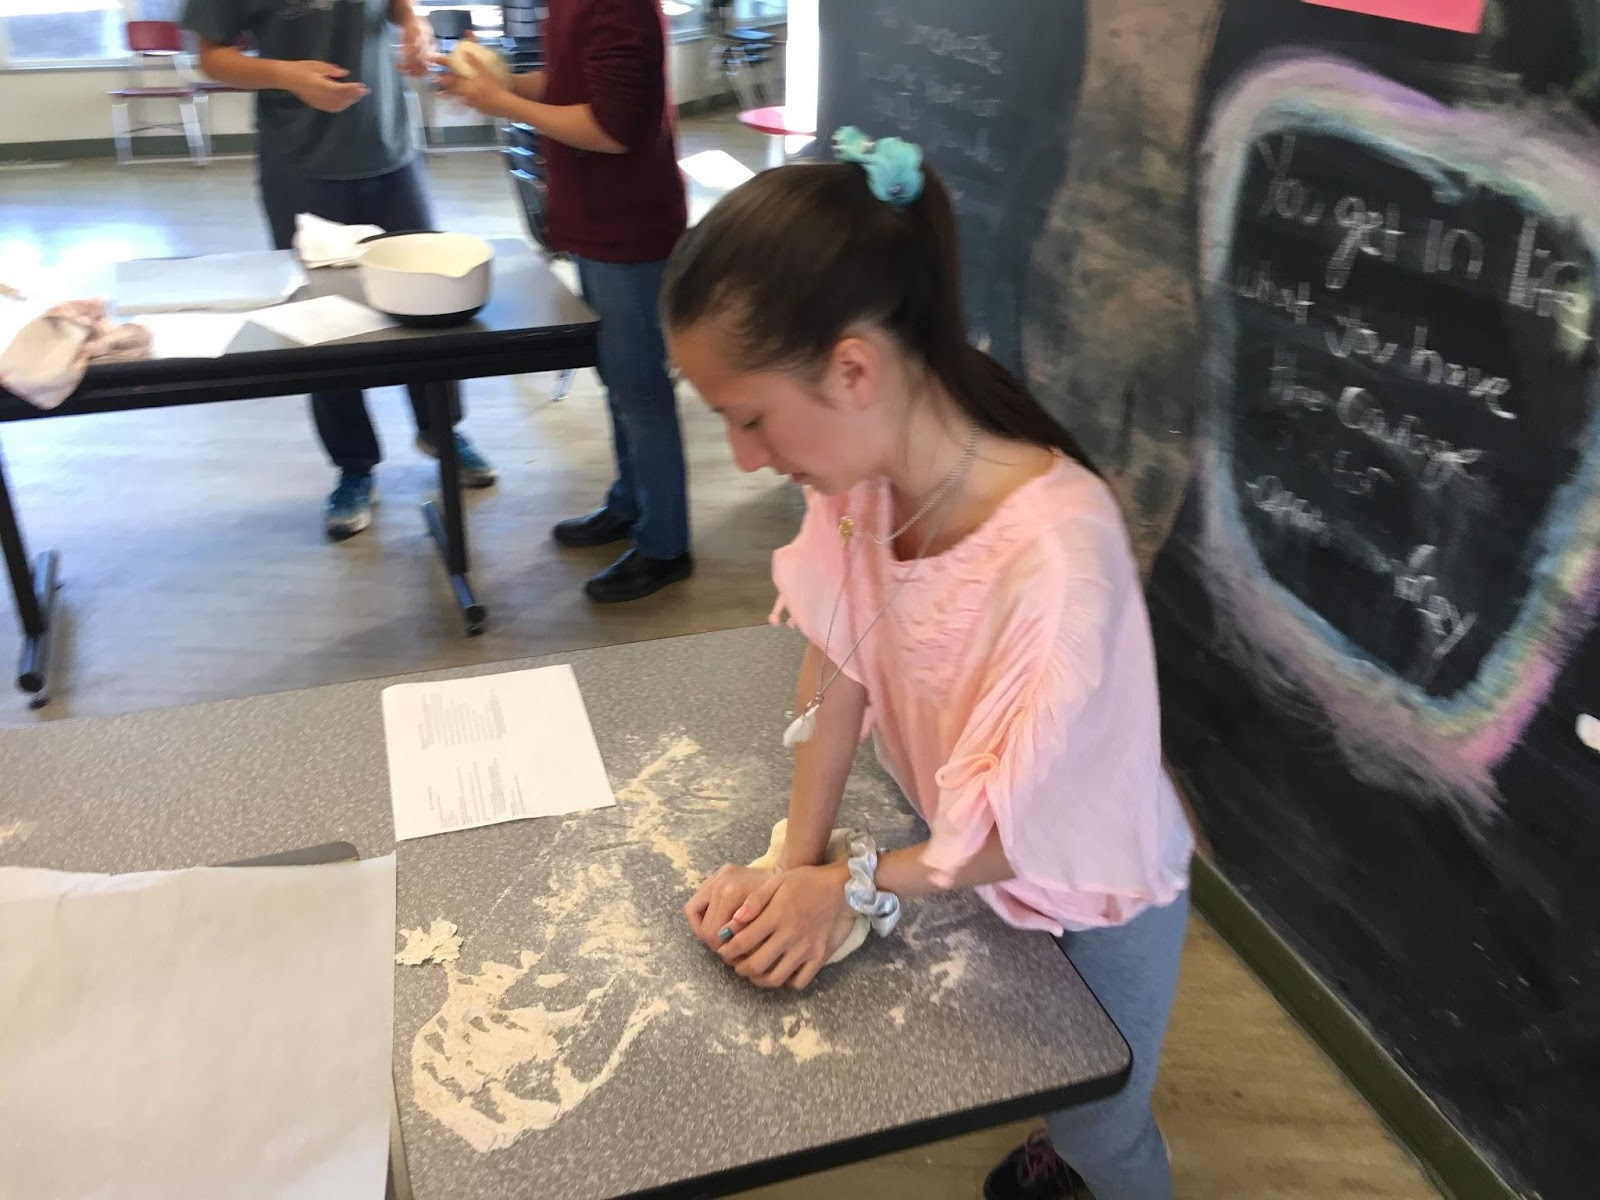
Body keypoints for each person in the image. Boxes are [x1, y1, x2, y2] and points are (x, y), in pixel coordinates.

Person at [668, 128, 1195, 1200]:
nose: (745, 457)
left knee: (1100, 1125)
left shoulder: (1054, 559)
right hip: (970, 851)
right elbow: (837, 667)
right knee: (1031, 1083)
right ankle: (1055, 1148)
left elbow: (1028, 829)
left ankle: (1086, 1163)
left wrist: (850, 886)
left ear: (853, 367)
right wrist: (794, 864)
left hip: (1089, 894)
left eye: (750, 418)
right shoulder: (864, 481)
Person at [183, 0, 498, 541]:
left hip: (389, 149)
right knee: (322, 322)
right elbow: (211, 57)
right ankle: (354, 466)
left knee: (431, 303)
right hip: (301, 160)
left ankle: (442, 431)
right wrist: (287, 75)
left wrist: (413, 25)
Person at [436, 0, 691, 603]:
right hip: (596, 221)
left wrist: (503, 103)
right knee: (619, 381)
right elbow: (574, 82)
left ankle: (666, 546)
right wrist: (504, 83)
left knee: (640, 391)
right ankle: (631, 503)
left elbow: (610, 129)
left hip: (629, 228)